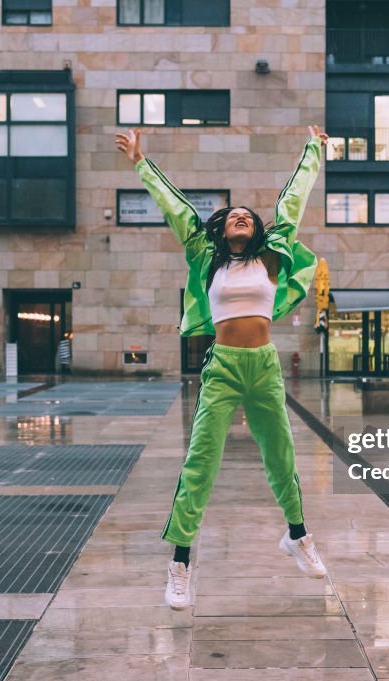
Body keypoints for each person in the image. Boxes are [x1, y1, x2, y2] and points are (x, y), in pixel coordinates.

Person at [116, 125, 329, 611]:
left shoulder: (271, 260)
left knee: (282, 455)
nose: (238, 216)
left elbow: (292, 202)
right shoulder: (207, 259)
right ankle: (181, 563)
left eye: (246, 216)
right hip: (224, 368)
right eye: (231, 214)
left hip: (264, 366)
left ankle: (297, 535)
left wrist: (313, 150)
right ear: (221, 229)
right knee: (201, 461)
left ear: (255, 230)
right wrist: (140, 163)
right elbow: (178, 209)